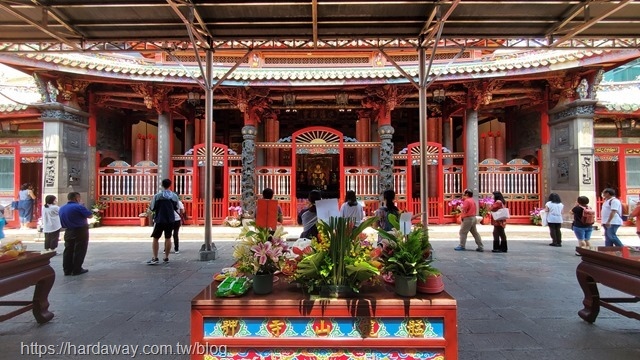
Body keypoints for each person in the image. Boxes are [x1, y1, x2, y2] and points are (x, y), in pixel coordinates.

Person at [59, 192, 93, 276]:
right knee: (79, 249)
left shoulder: (62, 208)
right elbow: (90, 215)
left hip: (68, 230)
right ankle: (77, 269)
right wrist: (83, 205)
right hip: (80, 230)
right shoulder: (78, 207)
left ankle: (67, 270)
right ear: (76, 198)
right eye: (79, 198)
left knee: (68, 250)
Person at [147, 179, 179, 265]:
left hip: (160, 219)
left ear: (162, 185)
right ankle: (166, 257)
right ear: (170, 185)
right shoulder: (174, 196)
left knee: (155, 238)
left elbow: (152, 207)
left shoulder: (157, 196)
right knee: (168, 238)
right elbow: (176, 208)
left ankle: (155, 257)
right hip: (170, 220)